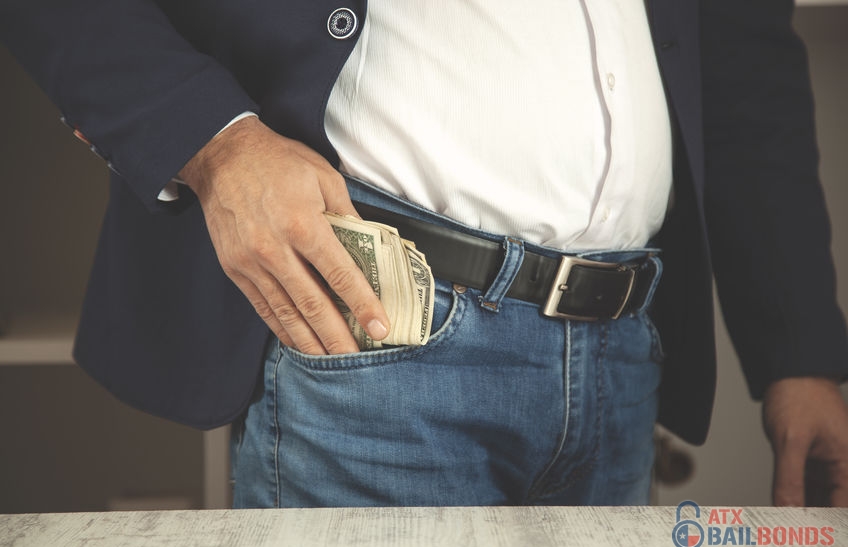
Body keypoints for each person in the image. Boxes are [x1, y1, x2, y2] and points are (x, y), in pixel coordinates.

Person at [2, 0, 847, 507]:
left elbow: (741, 55)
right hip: (377, 335)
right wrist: (212, 144)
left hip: (623, 353)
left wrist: (798, 352)